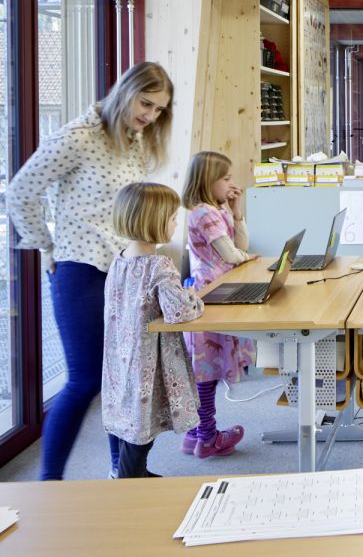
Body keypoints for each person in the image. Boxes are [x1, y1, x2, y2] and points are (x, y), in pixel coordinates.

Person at [6, 61, 174, 480]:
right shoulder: (77, 137)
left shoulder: (134, 140)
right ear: (126, 92)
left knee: (123, 377)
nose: (151, 115)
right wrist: (45, 246)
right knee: (85, 380)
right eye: (146, 103)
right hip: (80, 269)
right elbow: (20, 191)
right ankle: (49, 482)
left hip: (124, 271)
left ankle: (126, 472)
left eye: (159, 110)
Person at [102, 183, 204, 478]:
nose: (175, 223)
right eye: (173, 217)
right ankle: (130, 484)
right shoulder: (159, 266)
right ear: (155, 220)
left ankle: (131, 475)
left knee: (127, 423)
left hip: (120, 362)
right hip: (148, 364)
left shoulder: (119, 261)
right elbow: (180, 312)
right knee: (140, 433)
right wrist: (195, 299)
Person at [181, 151, 258, 458]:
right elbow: (232, 253)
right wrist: (246, 259)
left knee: (207, 367)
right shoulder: (204, 213)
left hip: (219, 290)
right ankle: (207, 436)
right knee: (206, 368)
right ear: (207, 180)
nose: (231, 183)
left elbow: (241, 245)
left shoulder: (216, 209)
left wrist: (237, 213)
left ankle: (195, 432)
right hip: (211, 294)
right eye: (225, 178)